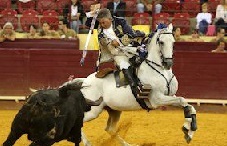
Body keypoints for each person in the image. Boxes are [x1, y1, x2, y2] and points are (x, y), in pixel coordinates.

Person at [85, 7, 150, 110]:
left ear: (110, 19)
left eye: (104, 22)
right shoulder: (100, 25)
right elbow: (88, 24)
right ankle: (136, 89)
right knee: (124, 66)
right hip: (117, 53)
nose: (102, 25)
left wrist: (119, 41)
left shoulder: (120, 21)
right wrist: (91, 14)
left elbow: (131, 34)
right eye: (100, 23)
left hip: (130, 48)